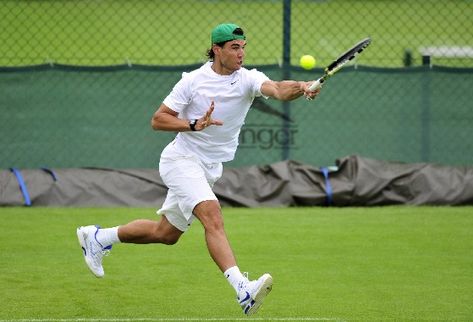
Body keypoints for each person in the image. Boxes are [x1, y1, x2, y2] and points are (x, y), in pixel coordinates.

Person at [76, 23, 320, 316]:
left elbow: (279, 89)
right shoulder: (192, 82)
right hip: (181, 160)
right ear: (217, 50)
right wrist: (192, 125)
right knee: (212, 215)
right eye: (234, 47)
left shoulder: (249, 79)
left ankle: (99, 238)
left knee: (165, 234)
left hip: (209, 169)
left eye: (243, 47)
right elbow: (158, 120)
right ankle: (242, 289)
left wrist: (303, 87)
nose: (241, 53)